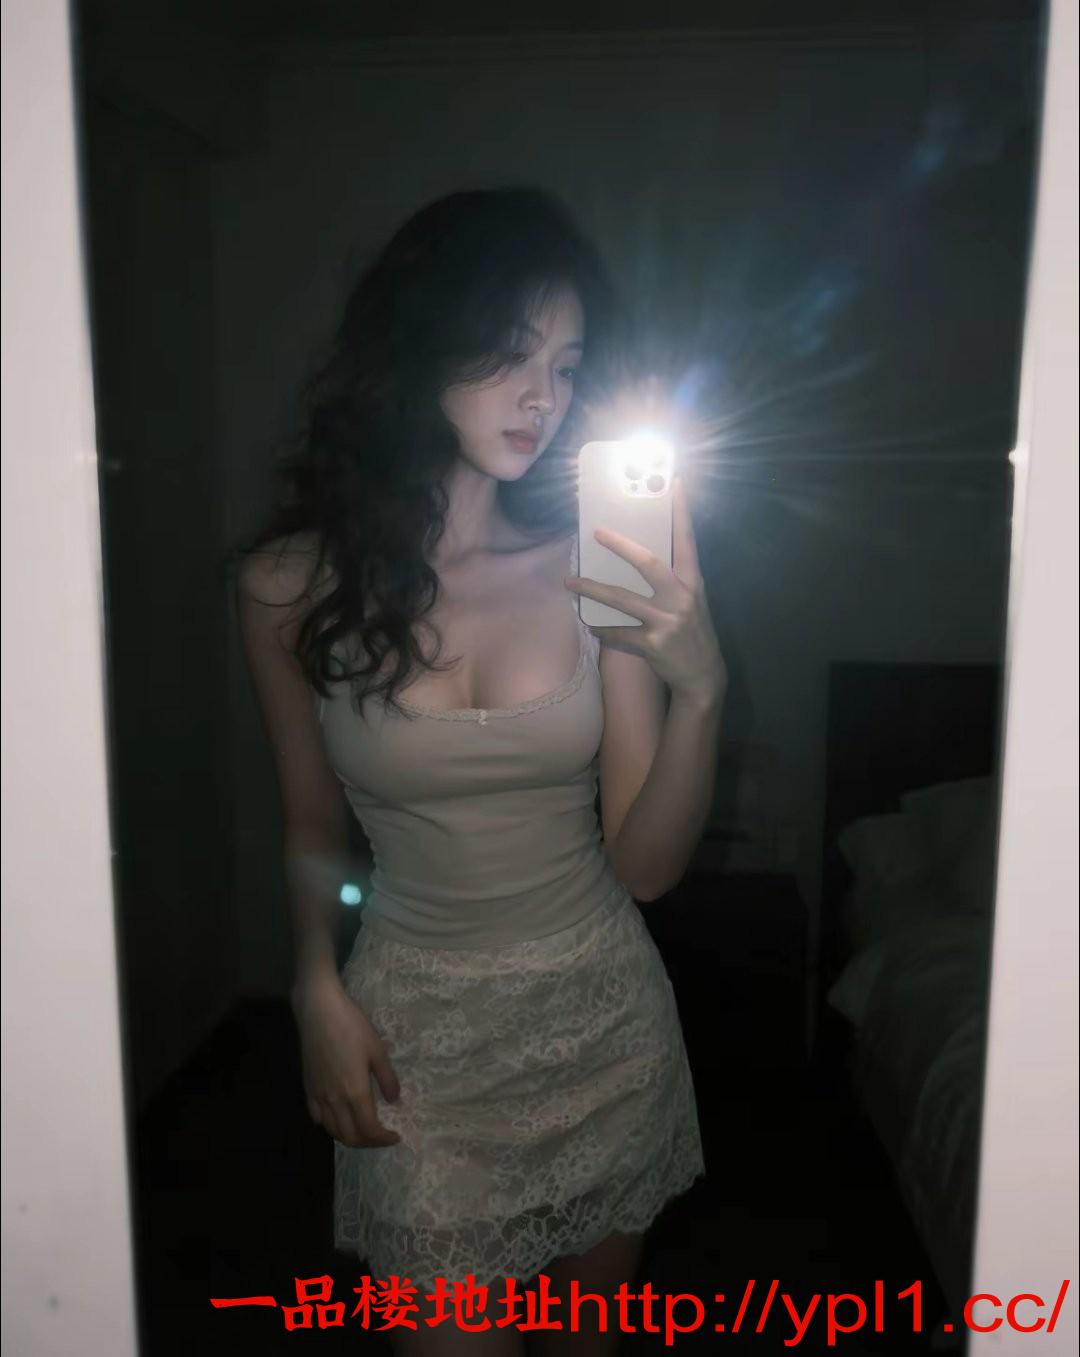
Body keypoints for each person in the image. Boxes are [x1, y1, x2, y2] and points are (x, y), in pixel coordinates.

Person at [236, 186, 727, 1356]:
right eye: (510, 352)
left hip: (603, 1029)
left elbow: (647, 867)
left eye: (566, 366)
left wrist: (704, 687)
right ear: (419, 345)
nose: (542, 396)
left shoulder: (598, 569)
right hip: (418, 1048)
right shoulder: (286, 587)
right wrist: (313, 984)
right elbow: (310, 821)